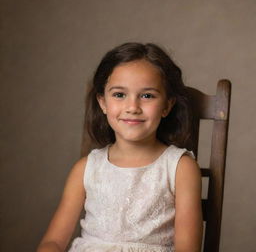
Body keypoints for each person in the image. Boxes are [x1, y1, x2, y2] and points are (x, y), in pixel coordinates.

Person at [37, 43, 203, 252]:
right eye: (119, 95)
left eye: (147, 95)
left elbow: (187, 248)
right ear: (103, 102)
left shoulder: (180, 168)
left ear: (167, 105)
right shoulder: (86, 168)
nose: (132, 107)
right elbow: (53, 242)